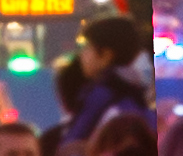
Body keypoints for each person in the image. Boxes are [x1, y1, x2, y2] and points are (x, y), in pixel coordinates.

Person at [49, 14, 153, 154]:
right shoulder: (136, 94)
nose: (82, 55)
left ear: (106, 55)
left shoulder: (101, 95)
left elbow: (73, 143)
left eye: (87, 47)